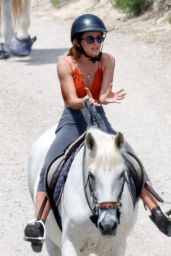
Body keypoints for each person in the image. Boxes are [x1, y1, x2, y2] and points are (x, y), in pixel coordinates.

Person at [24, 14, 171, 251]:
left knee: (132, 159)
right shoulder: (65, 64)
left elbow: (102, 95)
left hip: (99, 118)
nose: (96, 42)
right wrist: (86, 100)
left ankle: (156, 212)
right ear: (78, 41)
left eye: (100, 37)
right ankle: (38, 223)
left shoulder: (108, 61)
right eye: (90, 38)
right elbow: (71, 100)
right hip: (73, 120)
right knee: (49, 164)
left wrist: (106, 98)